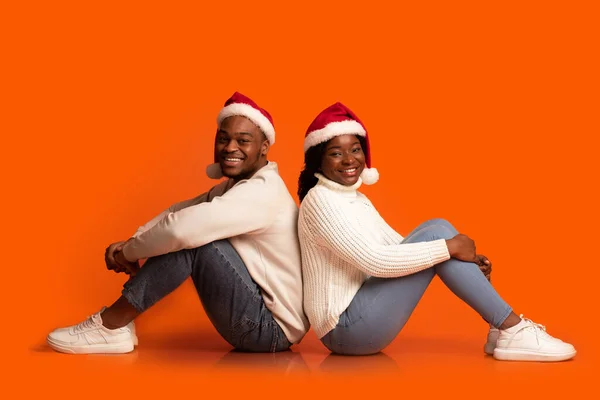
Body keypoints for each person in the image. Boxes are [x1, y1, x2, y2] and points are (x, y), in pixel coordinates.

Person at [297, 102, 576, 361]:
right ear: (318, 162)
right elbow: (375, 261)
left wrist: (460, 260)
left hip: (361, 315)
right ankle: (512, 328)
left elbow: (397, 247)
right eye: (336, 153)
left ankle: (499, 328)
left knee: (437, 229)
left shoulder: (355, 199)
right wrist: (449, 249)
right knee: (439, 236)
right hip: (345, 330)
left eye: (355, 149)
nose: (349, 160)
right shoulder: (320, 200)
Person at [47, 92, 309, 354]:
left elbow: (180, 229)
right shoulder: (236, 187)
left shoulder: (262, 192)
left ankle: (110, 326)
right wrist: (133, 240)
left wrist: (129, 252)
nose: (230, 148)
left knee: (195, 240)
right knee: (191, 227)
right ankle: (115, 328)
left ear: (264, 147)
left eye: (243, 141)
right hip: (258, 317)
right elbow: (180, 211)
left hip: (268, 330)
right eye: (223, 139)